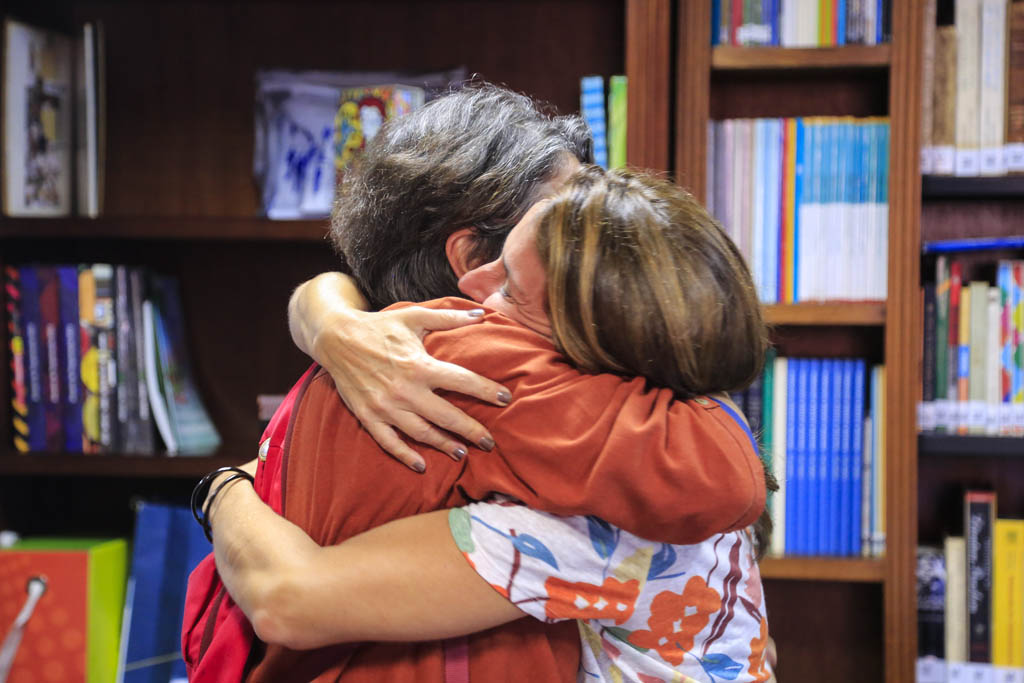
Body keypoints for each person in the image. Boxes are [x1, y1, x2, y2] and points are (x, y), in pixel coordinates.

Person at [182, 85, 770, 682]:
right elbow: (725, 476)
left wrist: (225, 486)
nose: (599, 225)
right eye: (568, 216)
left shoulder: (357, 365)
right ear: (469, 260)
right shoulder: (508, 392)